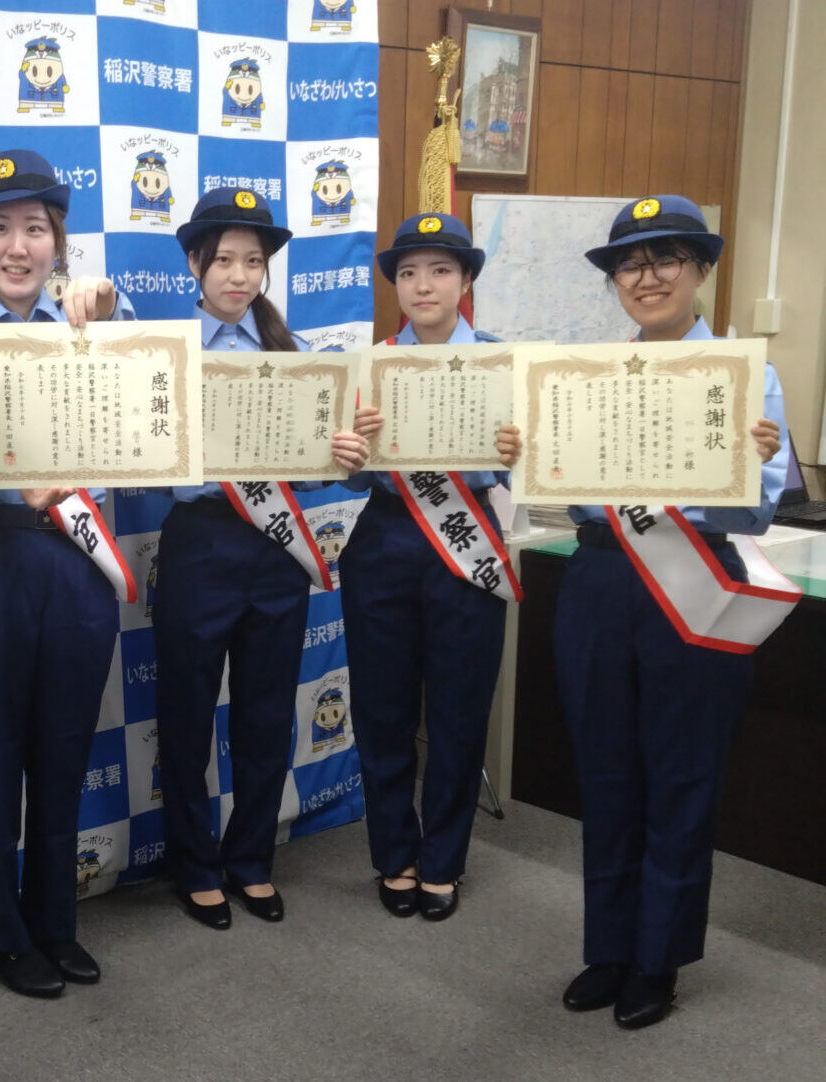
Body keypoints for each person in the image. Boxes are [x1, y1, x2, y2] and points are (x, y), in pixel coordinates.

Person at [499, 195, 788, 1028]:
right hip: (599, 580)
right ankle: (609, 947)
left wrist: (752, 462)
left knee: (682, 775)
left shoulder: (746, 376)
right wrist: (527, 453)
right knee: (606, 773)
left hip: (694, 579)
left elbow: (754, 512)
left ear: (701, 270)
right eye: (630, 262)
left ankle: (659, 959)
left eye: (666, 258)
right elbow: (566, 498)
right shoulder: (587, 376)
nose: (647, 276)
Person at [0, 148, 133, 999]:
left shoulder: (98, 329)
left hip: (74, 566)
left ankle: (55, 923)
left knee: (65, 752)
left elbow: (149, 418)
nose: (17, 246)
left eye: (35, 229)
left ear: (58, 243)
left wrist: (106, 312)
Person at [155, 187, 369, 930]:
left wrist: (339, 456)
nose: (239, 275)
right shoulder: (166, 352)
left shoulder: (292, 353)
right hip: (199, 542)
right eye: (224, 260)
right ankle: (194, 865)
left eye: (253, 261)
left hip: (275, 549)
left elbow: (313, 473)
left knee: (267, 713)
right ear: (195, 264)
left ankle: (250, 860)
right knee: (186, 717)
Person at [343, 212, 521, 923]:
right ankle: (396, 854)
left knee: (459, 712)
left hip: (468, 539)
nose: (424, 285)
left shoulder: (505, 365)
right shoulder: (369, 366)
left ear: (466, 280)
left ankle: (444, 858)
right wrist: (352, 454)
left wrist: (518, 453)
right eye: (409, 273)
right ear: (396, 285)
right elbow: (346, 475)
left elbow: (538, 466)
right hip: (383, 542)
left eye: (441, 270)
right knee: (382, 712)